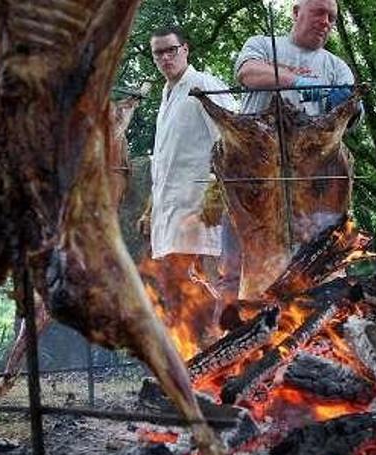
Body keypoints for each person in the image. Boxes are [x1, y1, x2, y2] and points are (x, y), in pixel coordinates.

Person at [142, 26, 237, 343]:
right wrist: (151, 209)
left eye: (171, 50)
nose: (165, 57)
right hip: (171, 210)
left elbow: (232, 140)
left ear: (186, 49)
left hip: (202, 206)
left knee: (212, 280)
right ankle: (197, 353)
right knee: (179, 287)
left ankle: (225, 344)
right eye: (159, 52)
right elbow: (166, 162)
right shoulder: (167, 96)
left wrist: (214, 199)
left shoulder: (203, 85)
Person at [234, 0, 360, 118]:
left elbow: (350, 120)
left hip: (314, 140)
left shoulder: (338, 67)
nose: (325, 22)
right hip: (255, 138)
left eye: (331, 18)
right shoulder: (262, 44)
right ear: (296, 13)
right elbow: (247, 72)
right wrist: (297, 81)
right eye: (318, 12)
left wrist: (352, 108)